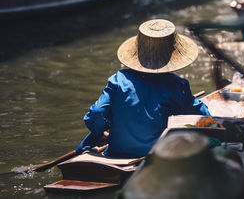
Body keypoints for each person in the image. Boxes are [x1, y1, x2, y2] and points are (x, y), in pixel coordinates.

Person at [75, 19, 211, 158]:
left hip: (116, 153)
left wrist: (100, 131)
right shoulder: (176, 85)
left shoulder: (118, 79)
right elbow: (204, 117)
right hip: (156, 157)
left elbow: (96, 114)